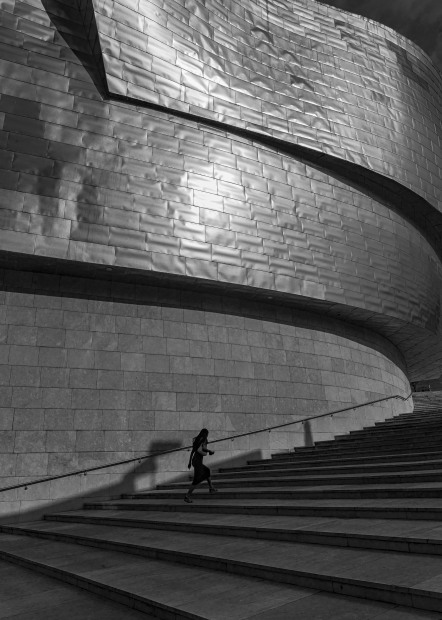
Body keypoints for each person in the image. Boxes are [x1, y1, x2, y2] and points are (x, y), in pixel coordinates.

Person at [184, 428, 217, 503]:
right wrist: (209, 451)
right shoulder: (204, 438)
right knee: (196, 480)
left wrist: (189, 462)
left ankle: (211, 488)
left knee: (207, 471)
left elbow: (193, 452)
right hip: (198, 461)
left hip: (194, 461)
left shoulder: (197, 440)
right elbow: (202, 449)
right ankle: (187, 496)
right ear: (206, 434)